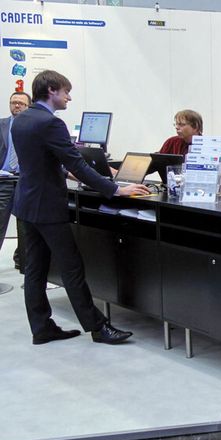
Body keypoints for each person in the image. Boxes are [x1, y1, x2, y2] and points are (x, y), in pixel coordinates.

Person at [11, 70, 149, 345]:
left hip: (27, 204)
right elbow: (76, 164)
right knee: (72, 267)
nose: (69, 97)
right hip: (49, 208)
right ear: (51, 90)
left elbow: (45, 163)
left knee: (35, 269)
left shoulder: (22, 119)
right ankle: (98, 327)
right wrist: (116, 188)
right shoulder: (51, 123)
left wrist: (77, 174)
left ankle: (41, 327)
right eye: (65, 92)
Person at [0, 91, 31, 273]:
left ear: (29, 106)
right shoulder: (1, 125)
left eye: (21, 103)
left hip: (24, 180)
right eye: (13, 102)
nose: (16, 105)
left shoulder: (33, 127)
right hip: (3, 180)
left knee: (26, 226)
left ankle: (22, 262)